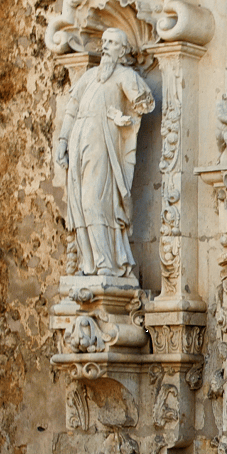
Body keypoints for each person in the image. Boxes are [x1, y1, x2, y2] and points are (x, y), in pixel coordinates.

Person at [55, 28, 154, 278]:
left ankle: (106, 263)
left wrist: (124, 116)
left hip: (102, 142)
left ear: (122, 51)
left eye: (112, 43)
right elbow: (72, 107)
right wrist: (63, 140)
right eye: (105, 41)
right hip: (79, 138)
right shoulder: (90, 76)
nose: (106, 46)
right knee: (78, 202)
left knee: (94, 199)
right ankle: (88, 264)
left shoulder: (125, 76)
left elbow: (145, 103)